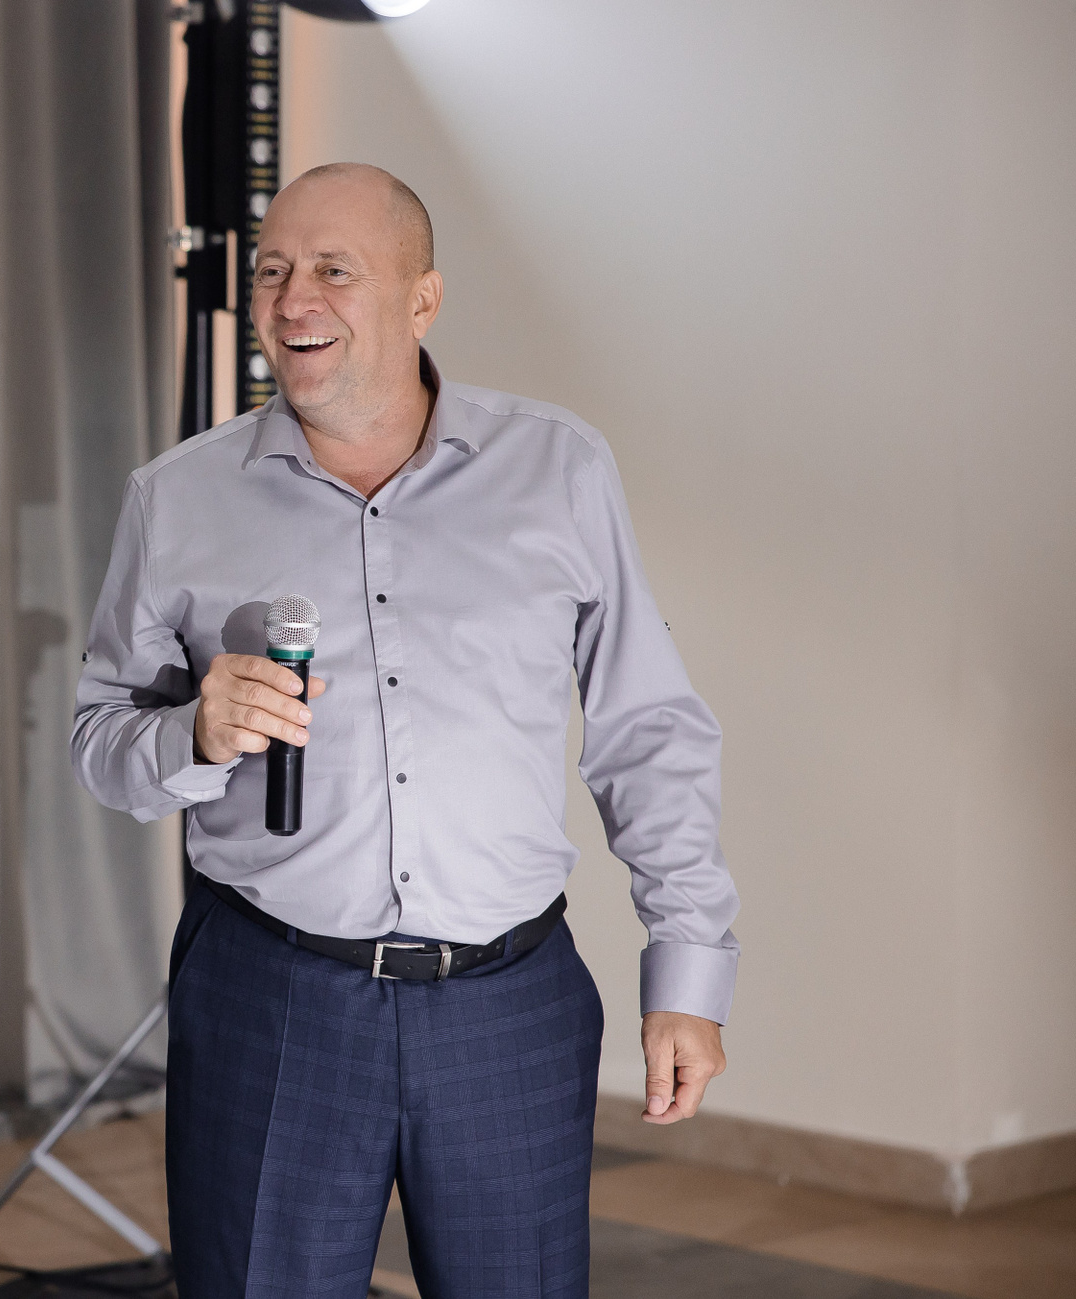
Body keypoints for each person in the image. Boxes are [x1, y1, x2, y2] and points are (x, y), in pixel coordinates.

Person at [72, 163, 737, 1298]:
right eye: (272, 272)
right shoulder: (176, 498)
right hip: (273, 999)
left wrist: (688, 964)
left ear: (422, 298)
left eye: (334, 271)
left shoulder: (559, 469)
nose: (292, 300)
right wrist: (194, 735)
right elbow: (101, 743)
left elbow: (648, 728)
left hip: (508, 1009)